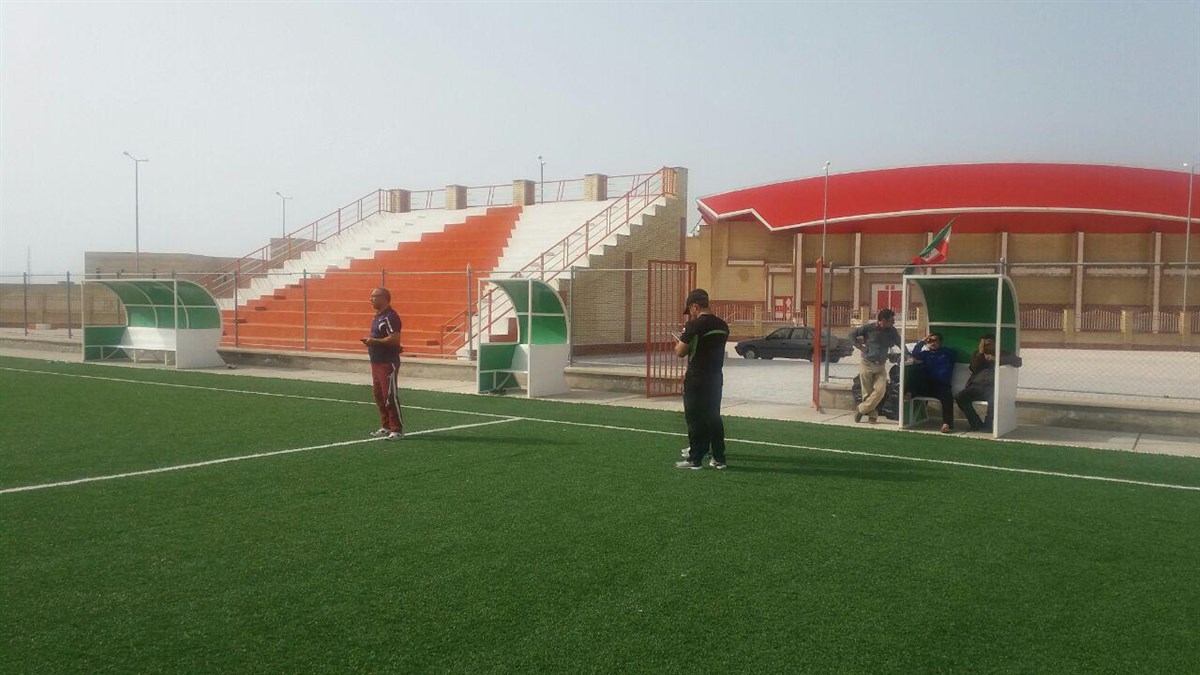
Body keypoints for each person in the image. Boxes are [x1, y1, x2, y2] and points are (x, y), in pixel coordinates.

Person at [674, 289, 730, 470]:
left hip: (697, 377)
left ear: (695, 306)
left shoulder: (694, 326)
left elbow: (680, 352)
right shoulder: (723, 325)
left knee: (695, 418)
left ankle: (695, 459)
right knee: (713, 416)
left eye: (690, 310)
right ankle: (719, 458)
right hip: (715, 377)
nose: (691, 314)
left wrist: (678, 342)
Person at [955, 333, 1023, 432]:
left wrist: (996, 359)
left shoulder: (1004, 354)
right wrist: (980, 353)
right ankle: (976, 424)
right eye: (984, 344)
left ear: (995, 344)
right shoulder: (978, 354)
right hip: (976, 386)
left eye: (989, 344)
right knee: (960, 397)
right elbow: (973, 368)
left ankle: (988, 426)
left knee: (994, 400)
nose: (986, 346)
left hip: (993, 386)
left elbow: (1018, 362)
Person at [362, 287, 404, 441]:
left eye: (374, 296)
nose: (370, 299)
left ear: (384, 298)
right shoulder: (377, 317)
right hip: (376, 362)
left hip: (387, 362)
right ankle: (386, 426)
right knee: (379, 396)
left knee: (389, 396)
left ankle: (397, 429)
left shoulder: (390, 317)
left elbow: (395, 338)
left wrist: (374, 341)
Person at [850, 308, 903, 424]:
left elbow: (900, 343)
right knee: (867, 392)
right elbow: (852, 335)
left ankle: (861, 409)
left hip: (880, 366)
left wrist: (907, 354)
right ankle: (872, 415)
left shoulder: (892, 331)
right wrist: (860, 347)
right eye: (891, 320)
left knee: (880, 391)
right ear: (883, 320)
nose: (893, 323)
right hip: (867, 363)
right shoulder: (868, 328)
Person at [907, 332, 958, 433]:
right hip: (928, 385)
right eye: (930, 341)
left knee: (947, 398)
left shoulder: (947, 353)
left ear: (940, 342)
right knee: (916, 371)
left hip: (942, 385)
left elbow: (955, 355)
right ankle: (909, 395)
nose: (932, 343)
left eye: (935, 340)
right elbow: (914, 355)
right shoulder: (926, 354)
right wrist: (923, 342)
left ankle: (947, 424)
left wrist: (939, 350)